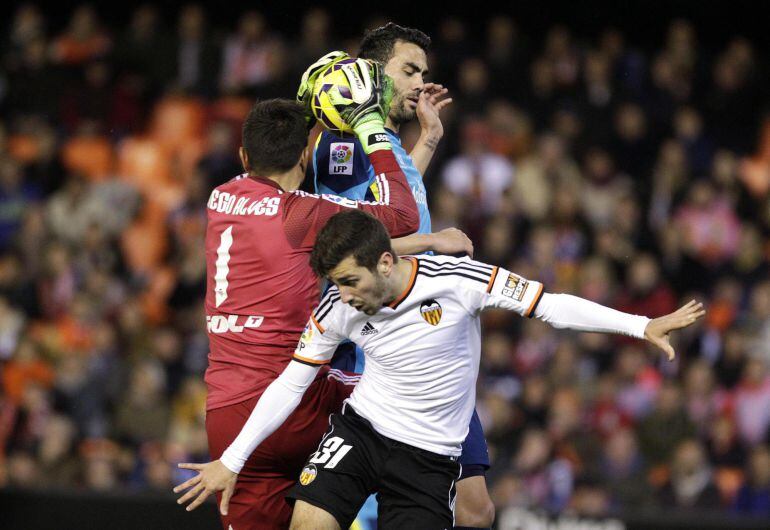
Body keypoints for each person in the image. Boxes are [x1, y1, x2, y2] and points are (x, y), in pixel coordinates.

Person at [201, 209, 705, 529]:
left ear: (383, 262)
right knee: (309, 523)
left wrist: (641, 326)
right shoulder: (338, 308)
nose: (345, 294)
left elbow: (551, 306)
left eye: (350, 280)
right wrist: (234, 459)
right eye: (337, 283)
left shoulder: (460, 281)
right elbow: (292, 382)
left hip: (429, 456)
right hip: (361, 432)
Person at [173, 61, 471, 530]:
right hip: (303, 402)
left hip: (228, 414)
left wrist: (427, 241)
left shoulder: (219, 198)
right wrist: (371, 126)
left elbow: (353, 238)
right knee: (412, 408)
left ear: (244, 157)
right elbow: (401, 214)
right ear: (305, 159)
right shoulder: (303, 214)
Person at [310, 24, 496, 529]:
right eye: (408, 70)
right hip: (383, 341)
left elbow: (398, 206)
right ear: (372, 73)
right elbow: (348, 246)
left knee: (477, 511)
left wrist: (430, 138)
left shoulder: (385, 139)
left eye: (424, 72)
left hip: (432, 335)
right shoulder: (344, 143)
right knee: (373, 512)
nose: (419, 81)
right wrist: (432, 244)